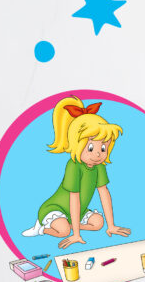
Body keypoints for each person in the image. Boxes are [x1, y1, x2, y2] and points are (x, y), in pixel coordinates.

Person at [19, 96, 132, 248]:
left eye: (103, 148)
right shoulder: (74, 166)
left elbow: (104, 193)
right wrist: (76, 234)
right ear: (77, 144)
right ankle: (40, 229)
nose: (98, 154)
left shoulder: (99, 166)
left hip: (79, 211)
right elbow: (74, 198)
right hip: (55, 208)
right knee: (64, 231)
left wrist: (111, 225)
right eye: (91, 148)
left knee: (98, 223)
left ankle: (70, 225)